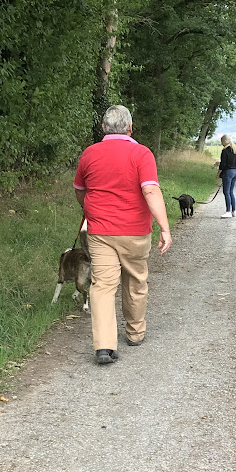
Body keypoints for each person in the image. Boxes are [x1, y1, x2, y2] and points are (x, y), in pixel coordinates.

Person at [73, 105, 172, 365]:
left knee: (102, 285)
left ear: (104, 128)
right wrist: (164, 226)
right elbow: (150, 191)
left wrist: (90, 210)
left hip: (100, 232)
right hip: (135, 231)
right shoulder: (142, 154)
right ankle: (135, 333)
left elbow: (80, 191)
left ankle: (104, 347)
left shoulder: (89, 154)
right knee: (135, 280)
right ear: (130, 127)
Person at [216, 134, 236, 218]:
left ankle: (228, 211)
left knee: (226, 192)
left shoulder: (225, 151)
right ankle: (234, 211)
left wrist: (218, 173)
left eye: (222, 142)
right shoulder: (235, 150)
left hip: (228, 173)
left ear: (224, 141)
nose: (221, 143)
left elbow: (222, 164)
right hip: (235, 172)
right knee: (231, 191)